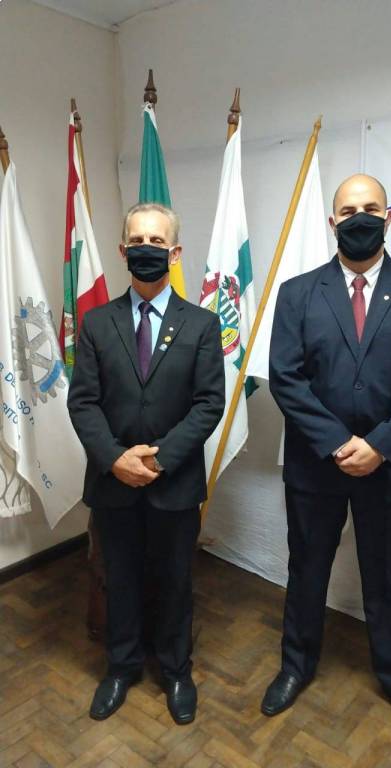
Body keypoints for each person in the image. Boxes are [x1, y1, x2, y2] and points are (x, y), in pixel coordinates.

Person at [263, 174, 391, 744]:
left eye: (371, 207)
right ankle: (295, 666)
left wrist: (379, 445)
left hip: (390, 467)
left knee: (386, 577)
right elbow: (286, 379)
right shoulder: (297, 293)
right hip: (317, 466)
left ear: (388, 218)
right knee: (307, 569)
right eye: (348, 209)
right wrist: (338, 442)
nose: (360, 216)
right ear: (332, 221)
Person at [68, 202, 225, 724]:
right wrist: (115, 458)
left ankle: (177, 671)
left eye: (157, 241)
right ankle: (121, 667)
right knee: (120, 577)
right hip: (113, 482)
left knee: (175, 580)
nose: (146, 249)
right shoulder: (96, 322)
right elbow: (83, 402)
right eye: (137, 241)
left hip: (173, 483)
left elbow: (209, 404)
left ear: (175, 253)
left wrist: (159, 460)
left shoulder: (202, 324)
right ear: (122, 250)